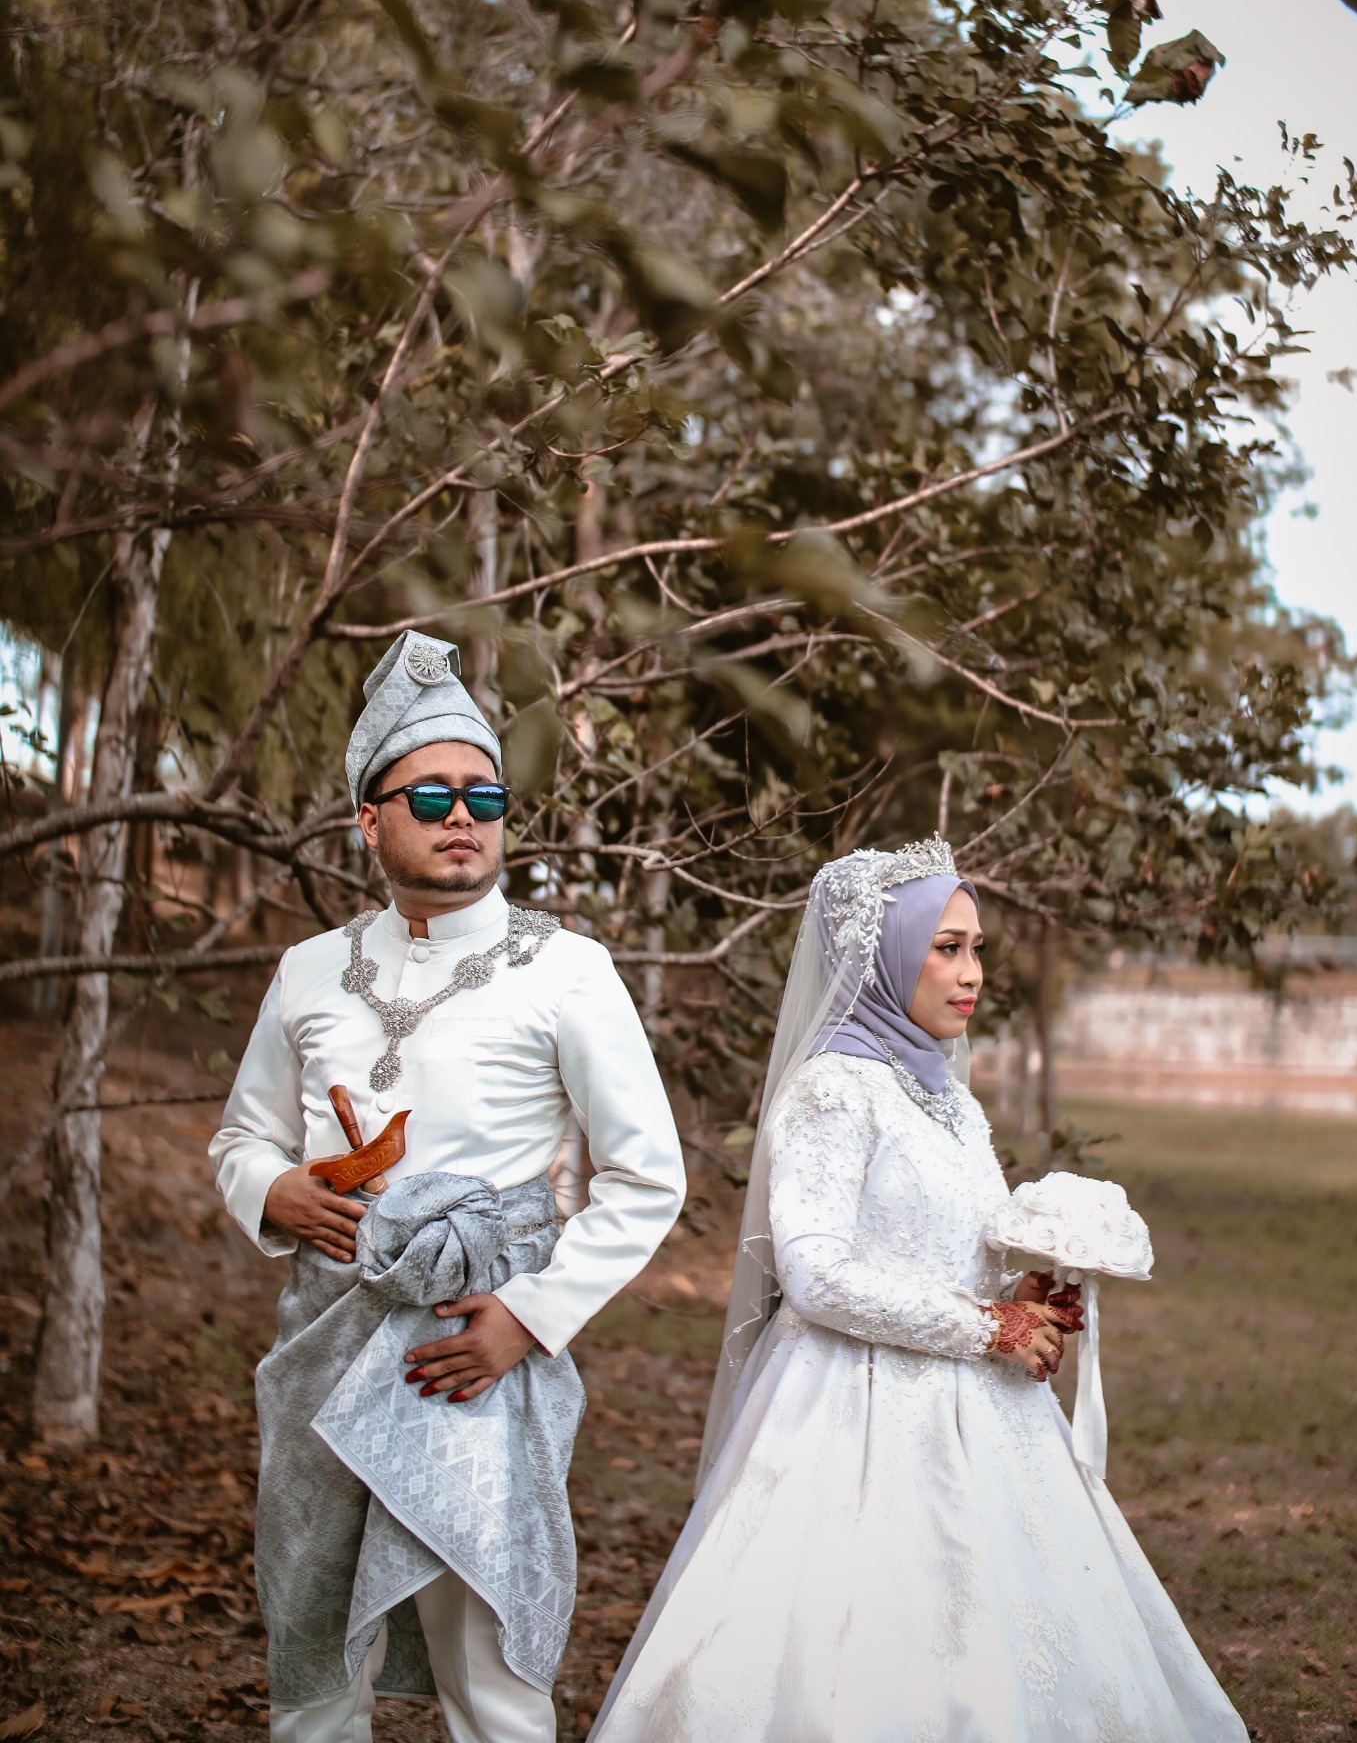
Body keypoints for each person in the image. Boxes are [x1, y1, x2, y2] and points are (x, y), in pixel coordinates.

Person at [589, 836, 1248, 1743]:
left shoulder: (950, 1097)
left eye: (975, 948)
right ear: (883, 956)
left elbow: (941, 1251)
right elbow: (817, 1277)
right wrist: (985, 1326)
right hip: (845, 1409)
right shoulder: (832, 1090)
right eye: (946, 948)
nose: (971, 972)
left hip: (980, 1413)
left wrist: (1022, 1293)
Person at [210, 630, 686, 1743]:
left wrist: (529, 1318)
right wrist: (274, 1190)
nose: (462, 815)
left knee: (488, 1661)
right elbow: (242, 1135)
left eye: (485, 795)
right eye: (430, 796)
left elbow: (645, 1175)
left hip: (472, 1349)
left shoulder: (566, 968)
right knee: (315, 1639)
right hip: (328, 1328)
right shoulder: (309, 969)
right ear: (368, 820)